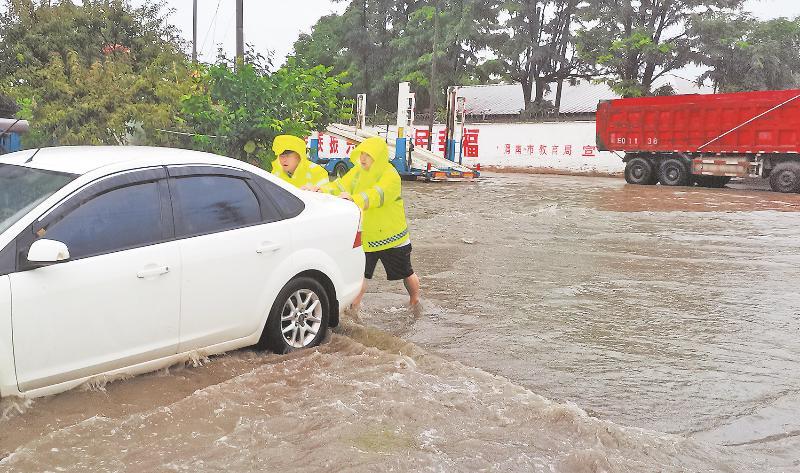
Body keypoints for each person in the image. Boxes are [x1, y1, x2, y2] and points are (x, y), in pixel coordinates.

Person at [316, 137, 420, 308]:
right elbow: (340, 186)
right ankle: (353, 310)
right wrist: (321, 190)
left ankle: (415, 301)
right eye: (362, 154)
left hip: (392, 237)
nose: (362, 158)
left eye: (368, 155)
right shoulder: (357, 172)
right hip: (367, 235)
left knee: (406, 272)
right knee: (360, 276)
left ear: (378, 157)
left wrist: (353, 198)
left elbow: (375, 195)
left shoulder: (390, 175)